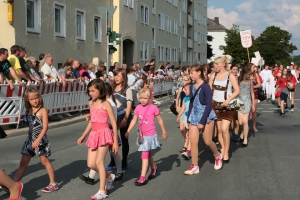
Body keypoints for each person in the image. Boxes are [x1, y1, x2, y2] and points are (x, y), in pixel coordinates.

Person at [77, 79, 118, 199]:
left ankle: (102, 190)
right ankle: (110, 176)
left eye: (93, 91)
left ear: (100, 90)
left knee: (99, 162)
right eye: (89, 91)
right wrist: (83, 135)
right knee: (91, 164)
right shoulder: (92, 104)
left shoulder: (106, 104)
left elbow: (114, 123)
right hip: (94, 134)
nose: (90, 93)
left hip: (104, 134)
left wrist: (115, 141)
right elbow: (92, 121)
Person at [13, 87, 58, 192]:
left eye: (36, 98)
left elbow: (45, 127)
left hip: (41, 140)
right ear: (27, 100)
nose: (35, 101)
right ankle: (13, 184)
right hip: (29, 140)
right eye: (32, 99)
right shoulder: (28, 110)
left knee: (44, 161)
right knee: (23, 162)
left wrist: (38, 140)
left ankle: (53, 183)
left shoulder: (43, 110)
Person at [125, 88, 168, 185]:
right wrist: (128, 131)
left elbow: (160, 120)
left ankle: (143, 176)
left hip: (150, 134)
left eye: (145, 98)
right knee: (148, 153)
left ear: (149, 98)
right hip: (141, 134)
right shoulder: (138, 108)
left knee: (144, 154)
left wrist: (164, 132)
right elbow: (134, 120)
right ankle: (153, 168)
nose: (142, 100)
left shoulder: (154, 108)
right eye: (141, 98)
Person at [185, 64, 222, 175]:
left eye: (192, 73)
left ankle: (217, 155)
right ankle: (195, 165)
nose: (190, 75)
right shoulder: (191, 87)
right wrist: (188, 119)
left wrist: (202, 121)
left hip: (206, 116)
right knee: (193, 141)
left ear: (199, 73)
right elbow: (191, 102)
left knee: (207, 141)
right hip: (194, 116)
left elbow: (209, 105)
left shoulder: (206, 87)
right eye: (190, 73)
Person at [209, 55, 240, 163]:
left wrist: (228, 100)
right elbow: (209, 90)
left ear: (223, 64)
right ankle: (222, 150)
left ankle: (226, 152)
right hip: (216, 104)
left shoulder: (230, 75)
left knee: (225, 129)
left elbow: (237, 90)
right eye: (215, 64)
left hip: (228, 104)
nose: (215, 66)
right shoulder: (213, 75)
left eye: (217, 64)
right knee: (219, 130)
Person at [106, 69, 133, 171]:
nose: (116, 78)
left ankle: (124, 161)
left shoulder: (127, 89)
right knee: (112, 139)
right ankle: (113, 161)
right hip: (113, 116)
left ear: (124, 77)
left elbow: (129, 104)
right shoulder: (111, 88)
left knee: (124, 139)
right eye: (115, 76)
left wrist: (125, 118)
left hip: (123, 115)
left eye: (118, 76)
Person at [238, 67, 255, 146]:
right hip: (240, 101)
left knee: (245, 121)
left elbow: (252, 93)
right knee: (240, 122)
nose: (250, 76)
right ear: (244, 74)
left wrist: (253, 104)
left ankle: (245, 139)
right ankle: (242, 131)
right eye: (249, 74)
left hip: (247, 101)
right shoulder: (239, 81)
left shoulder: (250, 82)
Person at [175, 74, 192, 154]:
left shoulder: (191, 88)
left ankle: (186, 145)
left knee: (188, 129)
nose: (184, 81)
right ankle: (186, 139)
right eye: (183, 80)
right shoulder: (181, 89)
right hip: (182, 108)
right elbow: (177, 98)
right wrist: (177, 106)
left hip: (189, 110)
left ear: (189, 81)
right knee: (182, 129)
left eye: (186, 80)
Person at [247, 63, 261, 132]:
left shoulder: (256, 75)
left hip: (254, 93)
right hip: (246, 94)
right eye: (253, 67)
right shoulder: (246, 75)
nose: (254, 68)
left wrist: (253, 87)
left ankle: (254, 126)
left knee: (254, 111)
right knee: (246, 110)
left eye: (255, 67)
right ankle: (245, 125)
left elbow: (259, 84)